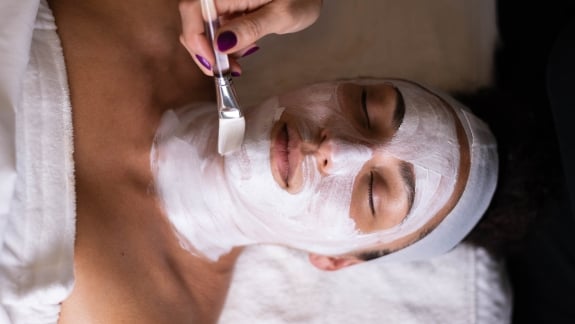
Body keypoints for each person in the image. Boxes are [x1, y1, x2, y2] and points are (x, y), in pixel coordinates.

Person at [0, 0, 498, 323]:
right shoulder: (164, 16)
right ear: (337, 79)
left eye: (374, 193)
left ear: (335, 260)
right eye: (367, 107)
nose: (337, 149)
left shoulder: (151, 312)